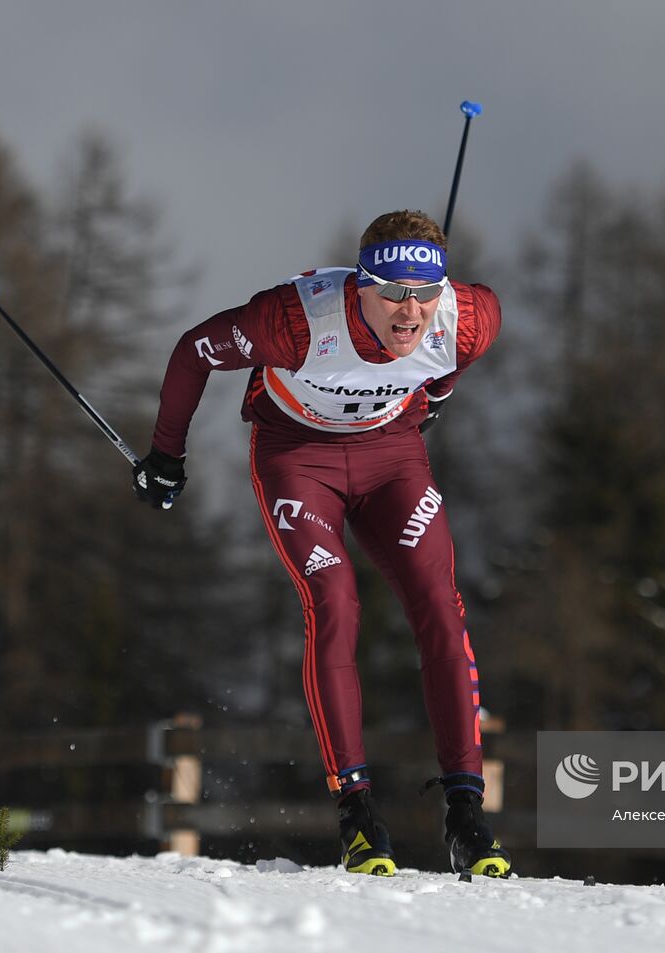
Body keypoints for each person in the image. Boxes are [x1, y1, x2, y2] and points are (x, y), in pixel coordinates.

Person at [134, 210, 509, 878]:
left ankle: (466, 812)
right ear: (358, 286)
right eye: (391, 291)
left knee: (440, 607)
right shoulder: (294, 320)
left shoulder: (469, 317)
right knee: (334, 602)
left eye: (424, 293)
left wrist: (431, 395)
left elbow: (448, 370)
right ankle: (358, 813)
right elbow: (194, 349)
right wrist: (166, 455)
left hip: (392, 458)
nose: (410, 311)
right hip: (298, 458)